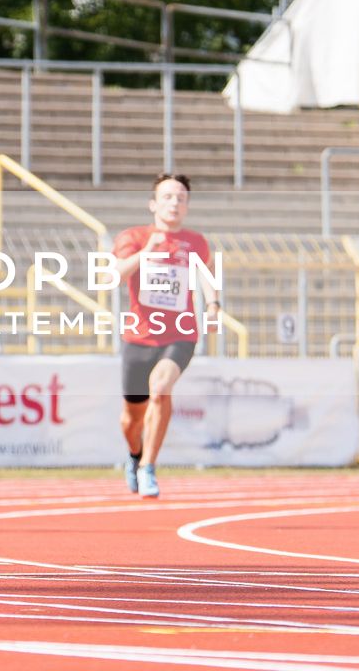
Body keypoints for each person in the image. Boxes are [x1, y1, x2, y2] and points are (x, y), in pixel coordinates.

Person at [112, 173, 220, 500]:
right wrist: (147, 251)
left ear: (187, 206)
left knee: (161, 389)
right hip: (140, 337)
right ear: (153, 203)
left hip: (180, 334)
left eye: (181, 198)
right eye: (168, 197)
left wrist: (213, 304)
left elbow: (206, 277)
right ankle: (135, 455)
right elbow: (114, 276)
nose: (174, 203)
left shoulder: (197, 242)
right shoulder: (133, 236)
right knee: (131, 420)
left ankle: (148, 467)